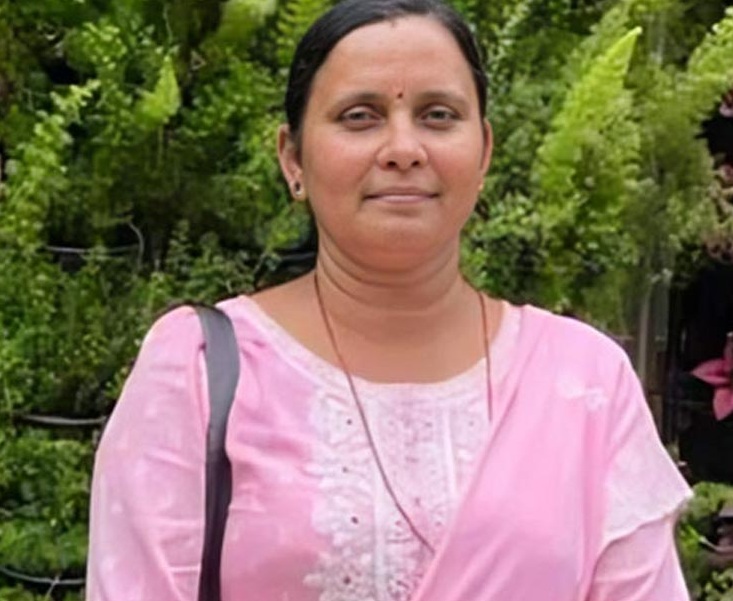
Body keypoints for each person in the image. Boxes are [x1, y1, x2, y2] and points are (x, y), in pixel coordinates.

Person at [85, 0, 693, 599]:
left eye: (437, 116)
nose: (404, 148)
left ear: (484, 152)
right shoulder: (198, 371)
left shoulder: (583, 383)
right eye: (359, 116)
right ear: (293, 158)